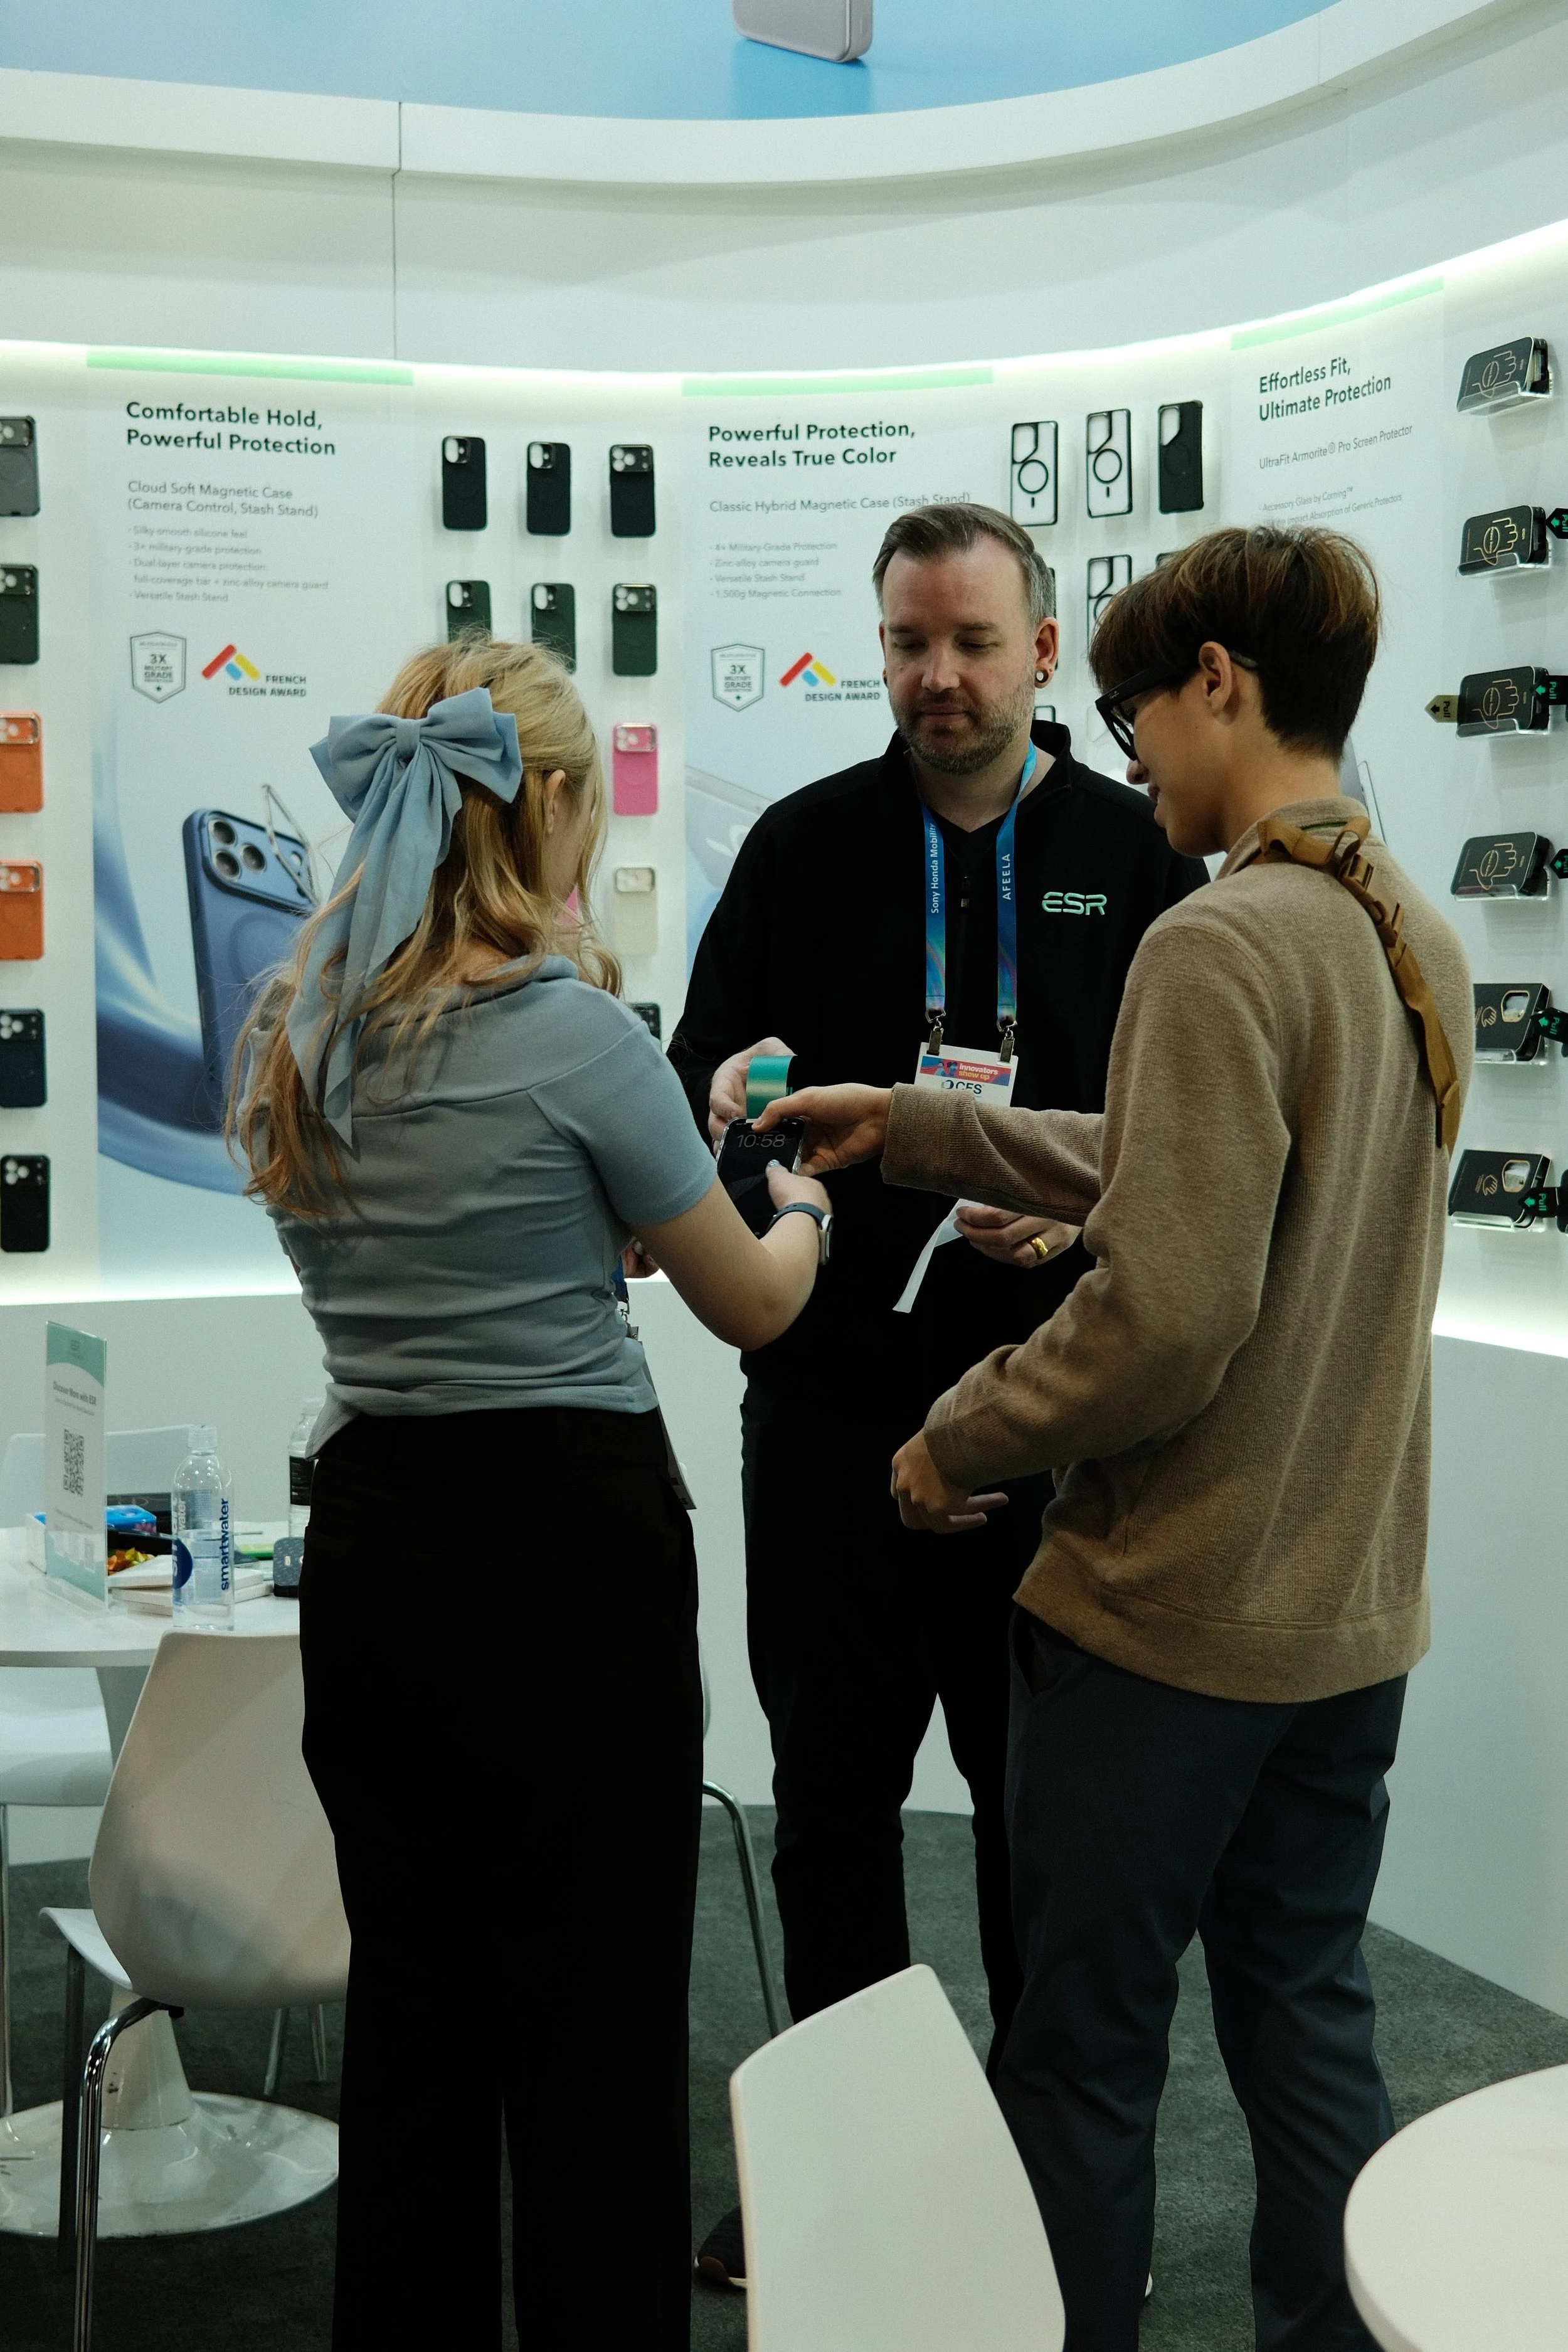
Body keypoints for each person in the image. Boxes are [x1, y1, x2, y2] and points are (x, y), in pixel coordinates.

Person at [758, 525, 1471, 2352]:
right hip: (1343, 1617)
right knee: (1306, 2016)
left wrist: (959, 1439)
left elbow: (1166, 1310)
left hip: (1168, 1619)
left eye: (1133, 704)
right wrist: (925, 1125)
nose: (1125, 744)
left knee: (1080, 2056)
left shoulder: (1215, 940)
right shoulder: (1408, 933)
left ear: (1216, 683)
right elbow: (1195, 1172)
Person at [231, 637, 831, 2352]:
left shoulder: (299, 1030)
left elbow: (450, 1246)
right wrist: (802, 1205)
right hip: (574, 1560)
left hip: (379, 1551)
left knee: (412, 2025)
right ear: (550, 801)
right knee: (599, 2036)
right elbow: (752, 1302)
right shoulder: (577, 1037)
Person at [668, 501, 1205, 2286]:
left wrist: (1076, 1211)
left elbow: (1190, 1155)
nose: (940, 677)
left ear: (1043, 651)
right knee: (830, 1814)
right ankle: (843, 2183)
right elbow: (702, 1095)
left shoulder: (1136, 858)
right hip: (829, 1421)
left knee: (1039, 1829)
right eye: (910, 643)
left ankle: (1038, 2193)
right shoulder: (803, 846)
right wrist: (750, 1136)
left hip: (1053, 1427)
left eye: (974, 642)